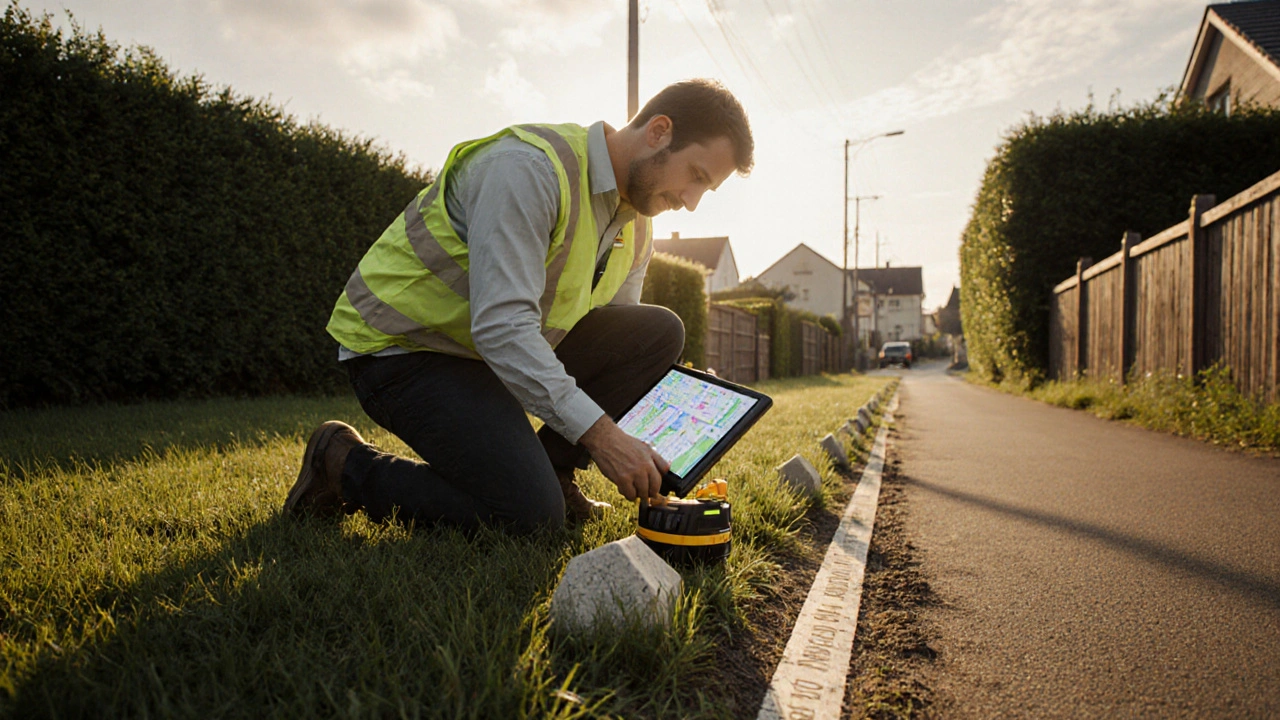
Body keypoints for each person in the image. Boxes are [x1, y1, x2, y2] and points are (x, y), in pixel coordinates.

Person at [285, 79, 753, 533]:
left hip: (482, 356)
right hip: (405, 352)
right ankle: (343, 464)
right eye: (695, 176)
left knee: (658, 331)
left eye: (705, 190)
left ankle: (554, 472)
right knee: (529, 515)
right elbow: (503, 329)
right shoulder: (528, 170)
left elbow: (614, 335)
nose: (691, 203)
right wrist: (604, 437)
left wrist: (659, 396)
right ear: (658, 131)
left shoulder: (638, 220)